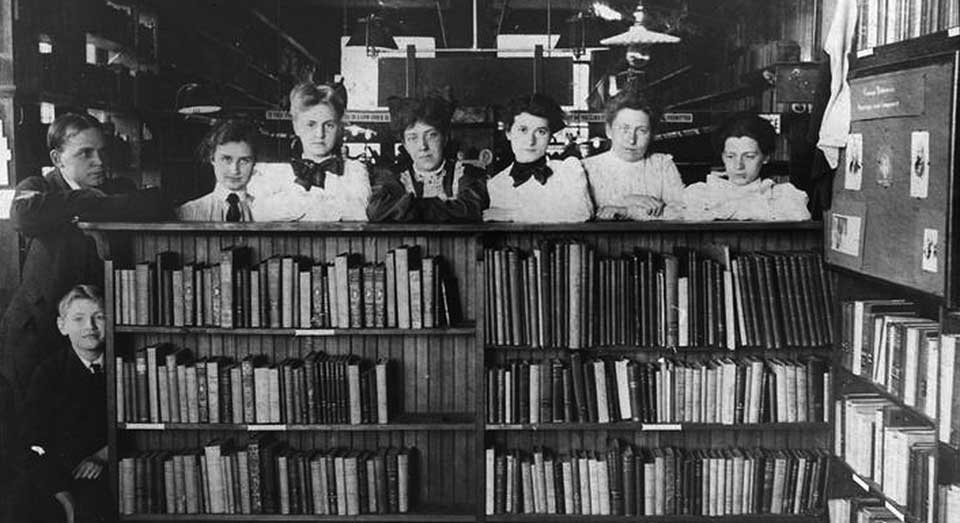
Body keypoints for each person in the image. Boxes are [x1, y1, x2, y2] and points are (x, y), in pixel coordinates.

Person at [0, 113, 164, 405]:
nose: (99, 161)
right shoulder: (37, 185)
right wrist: (88, 200)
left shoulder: (118, 187)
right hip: (36, 332)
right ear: (57, 158)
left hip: (95, 331)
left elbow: (155, 203)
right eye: (85, 153)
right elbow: (23, 216)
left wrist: (82, 208)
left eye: (102, 151)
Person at [9, 285, 110, 523]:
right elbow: (32, 438)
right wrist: (63, 496)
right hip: (62, 473)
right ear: (62, 326)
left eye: (99, 317)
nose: (90, 327)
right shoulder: (49, 372)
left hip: (110, 466)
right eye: (78, 319)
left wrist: (104, 455)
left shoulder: (126, 365)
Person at [247, 81, 370, 221]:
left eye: (329, 125)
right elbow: (261, 213)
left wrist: (295, 204)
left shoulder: (354, 171)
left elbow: (359, 213)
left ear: (339, 128)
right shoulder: (278, 172)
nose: (320, 134)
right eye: (311, 124)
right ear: (296, 127)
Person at [665, 113, 811, 221]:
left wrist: (721, 211)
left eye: (749, 156)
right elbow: (671, 215)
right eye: (730, 156)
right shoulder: (698, 193)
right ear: (722, 156)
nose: (738, 165)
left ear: (766, 157)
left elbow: (801, 215)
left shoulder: (784, 195)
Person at [367, 96, 489, 222]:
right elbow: (376, 211)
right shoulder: (394, 178)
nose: (423, 146)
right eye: (413, 138)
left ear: (445, 138)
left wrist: (406, 208)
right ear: (405, 145)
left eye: (431, 135)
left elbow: (471, 208)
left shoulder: (468, 174)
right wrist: (446, 207)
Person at [483, 93, 593, 222]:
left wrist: (513, 215)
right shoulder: (497, 184)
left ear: (550, 137)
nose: (531, 141)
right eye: (523, 130)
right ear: (508, 133)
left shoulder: (568, 170)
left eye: (541, 132)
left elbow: (582, 212)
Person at [583, 91, 685, 220]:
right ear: (608, 130)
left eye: (642, 131)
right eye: (624, 129)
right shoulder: (585, 168)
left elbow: (684, 212)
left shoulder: (662, 165)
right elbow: (577, 215)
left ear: (652, 134)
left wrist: (629, 211)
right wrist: (624, 200)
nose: (632, 140)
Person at [176, 119, 260, 221]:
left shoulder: (267, 213)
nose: (234, 170)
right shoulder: (187, 213)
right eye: (226, 159)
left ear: (254, 162)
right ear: (212, 158)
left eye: (244, 161)